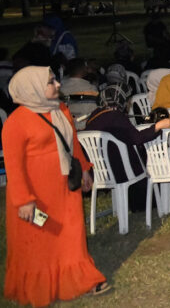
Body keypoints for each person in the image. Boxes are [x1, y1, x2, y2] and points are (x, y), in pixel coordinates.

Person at [4, 66, 111, 304]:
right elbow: (14, 167)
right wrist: (24, 200)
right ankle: (42, 287)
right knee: (41, 240)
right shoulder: (15, 122)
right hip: (36, 195)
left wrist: (85, 170)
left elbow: (72, 144)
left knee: (71, 235)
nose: (58, 84)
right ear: (32, 89)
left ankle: (82, 280)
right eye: (51, 82)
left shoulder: (60, 109)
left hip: (65, 188)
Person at [83, 84, 170, 211]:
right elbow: (137, 138)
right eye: (127, 100)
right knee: (146, 151)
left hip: (101, 172)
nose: (128, 104)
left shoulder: (93, 117)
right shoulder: (116, 116)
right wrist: (158, 126)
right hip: (123, 172)